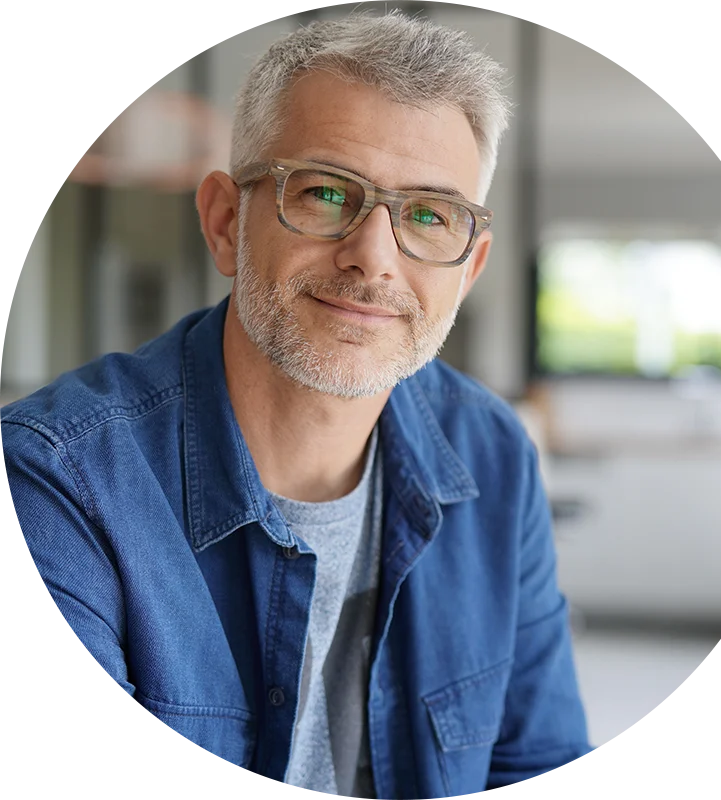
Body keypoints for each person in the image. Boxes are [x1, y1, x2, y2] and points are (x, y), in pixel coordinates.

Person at [0, 11, 592, 799]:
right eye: (324, 193)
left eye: (427, 215)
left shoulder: (493, 453)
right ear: (224, 223)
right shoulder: (54, 481)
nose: (373, 258)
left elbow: (537, 767)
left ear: (470, 266)